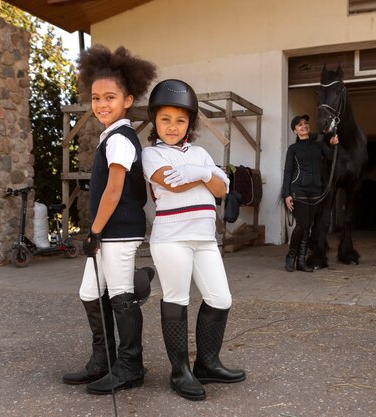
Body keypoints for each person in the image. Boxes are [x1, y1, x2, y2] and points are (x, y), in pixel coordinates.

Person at [142, 79, 246, 401]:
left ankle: (207, 364)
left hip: (204, 238)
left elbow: (221, 190)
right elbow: (170, 183)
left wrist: (202, 174)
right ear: (155, 121)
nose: (172, 127)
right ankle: (179, 372)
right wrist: (206, 173)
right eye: (165, 119)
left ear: (190, 123)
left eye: (180, 120)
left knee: (221, 299)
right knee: (177, 301)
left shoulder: (200, 152)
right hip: (172, 238)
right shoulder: (150, 154)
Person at [62, 45, 156, 396]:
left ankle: (131, 367)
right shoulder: (109, 137)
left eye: (110, 97)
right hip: (106, 232)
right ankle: (104, 360)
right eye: (96, 97)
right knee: (90, 293)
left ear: (128, 100)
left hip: (118, 231)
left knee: (120, 297)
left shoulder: (121, 139)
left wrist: (94, 231)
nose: (101, 104)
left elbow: (115, 190)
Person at [282, 114, 338, 272]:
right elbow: (288, 171)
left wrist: (333, 144)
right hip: (298, 189)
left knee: (308, 227)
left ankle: (301, 261)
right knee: (302, 224)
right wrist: (286, 194)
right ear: (295, 130)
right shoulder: (293, 149)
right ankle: (291, 256)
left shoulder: (318, 146)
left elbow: (331, 156)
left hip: (315, 190)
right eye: (299, 125)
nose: (304, 126)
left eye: (306, 123)